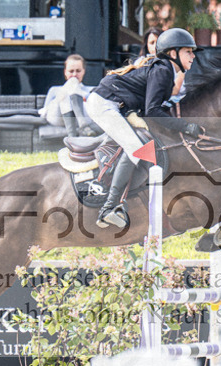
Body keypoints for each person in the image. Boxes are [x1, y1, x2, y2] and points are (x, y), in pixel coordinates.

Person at [84, 27, 203, 229]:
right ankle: (109, 208)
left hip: (113, 103)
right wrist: (185, 127)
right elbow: (153, 111)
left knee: (137, 145)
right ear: (173, 53)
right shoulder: (164, 70)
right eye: (188, 51)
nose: (193, 56)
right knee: (136, 149)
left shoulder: (166, 70)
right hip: (105, 103)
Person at [38, 54, 96, 135]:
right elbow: (44, 113)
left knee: (71, 86)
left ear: (84, 71)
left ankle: (72, 136)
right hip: (57, 118)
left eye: (78, 71)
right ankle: (83, 126)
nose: (74, 74)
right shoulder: (54, 90)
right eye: (71, 71)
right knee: (68, 87)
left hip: (83, 118)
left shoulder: (90, 90)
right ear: (65, 72)